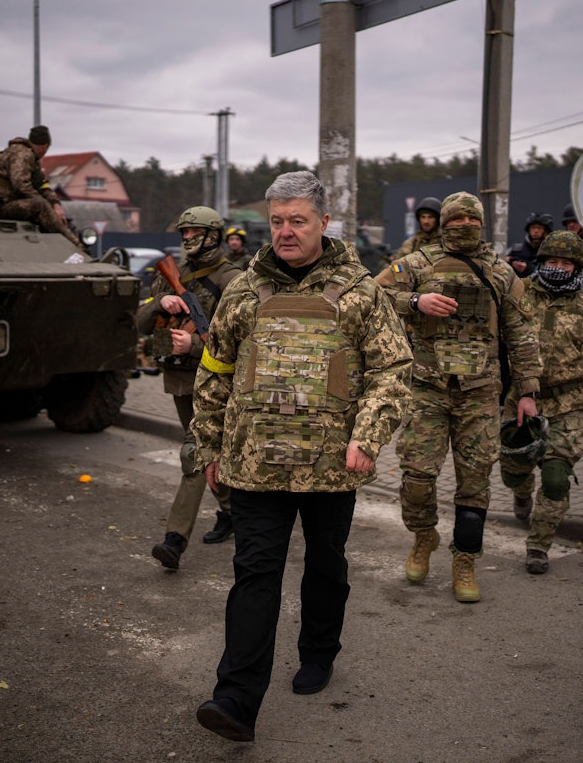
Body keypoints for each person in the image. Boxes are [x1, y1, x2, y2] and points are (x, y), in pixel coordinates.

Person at [192, 171, 411, 742]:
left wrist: (367, 434)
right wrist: (208, 443)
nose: (286, 233)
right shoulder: (243, 290)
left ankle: (317, 651)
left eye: (298, 221)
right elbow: (214, 369)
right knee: (254, 574)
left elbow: (393, 369)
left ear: (322, 223)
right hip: (255, 466)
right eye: (277, 222)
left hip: (332, 466)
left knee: (324, 563)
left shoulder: (361, 292)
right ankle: (236, 698)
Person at [374, 191, 542, 602]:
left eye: (472, 221)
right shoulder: (418, 263)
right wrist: (416, 301)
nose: (465, 227)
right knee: (416, 476)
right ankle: (424, 535)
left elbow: (521, 333)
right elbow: (371, 295)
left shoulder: (500, 273)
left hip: (480, 394)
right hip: (427, 389)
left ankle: (465, 560)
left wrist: (527, 391)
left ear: (481, 224)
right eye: (456, 221)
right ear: (443, 224)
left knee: (474, 483)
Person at [137, 206, 242, 569]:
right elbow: (141, 326)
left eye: (194, 232)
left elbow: (243, 344)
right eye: (183, 233)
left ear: (213, 235)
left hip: (216, 384)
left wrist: (194, 346)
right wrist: (159, 303)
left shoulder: (234, 280)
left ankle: (174, 540)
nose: (187, 239)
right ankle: (232, 512)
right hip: (180, 381)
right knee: (208, 454)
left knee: (194, 454)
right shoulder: (173, 274)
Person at [498, 231, 583, 574]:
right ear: (541, 262)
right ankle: (521, 492)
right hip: (520, 400)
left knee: (556, 478)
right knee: (514, 469)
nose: (558, 268)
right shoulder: (520, 294)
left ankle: (539, 545)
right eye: (551, 261)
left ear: (577, 267)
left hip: (567, 405)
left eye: (566, 263)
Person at [0, 125, 81, 248]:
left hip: (11, 203)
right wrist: (44, 203)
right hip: (0, 205)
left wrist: (55, 204)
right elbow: (20, 184)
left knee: (49, 209)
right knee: (40, 206)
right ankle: (75, 245)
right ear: (45, 146)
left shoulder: (32, 159)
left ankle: (67, 245)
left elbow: (42, 185)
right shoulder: (22, 154)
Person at [505, 212, 554, 277]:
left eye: (539, 228)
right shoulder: (515, 251)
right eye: (533, 227)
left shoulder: (553, 252)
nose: (536, 231)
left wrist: (528, 269)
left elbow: (555, 274)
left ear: (547, 231)